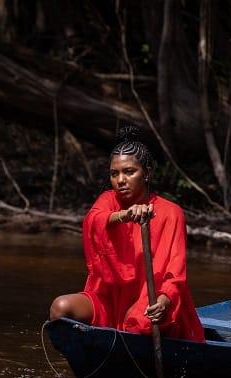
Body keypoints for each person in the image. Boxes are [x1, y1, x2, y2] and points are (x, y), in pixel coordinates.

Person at [50, 127, 205, 343]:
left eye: (129, 172)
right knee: (60, 308)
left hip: (153, 299)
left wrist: (163, 301)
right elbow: (93, 220)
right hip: (109, 297)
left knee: (139, 322)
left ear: (147, 173)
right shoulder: (108, 200)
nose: (120, 180)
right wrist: (126, 215)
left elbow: (175, 272)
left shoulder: (171, 212)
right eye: (114, 174)